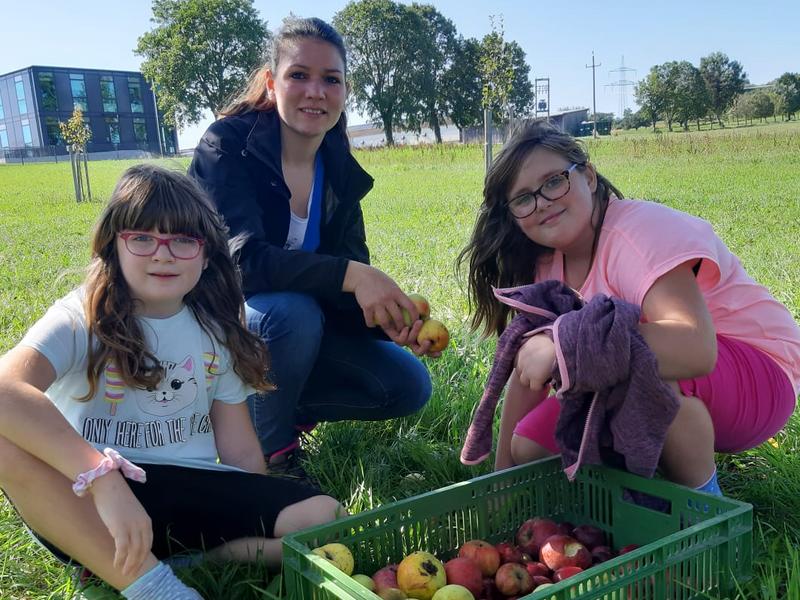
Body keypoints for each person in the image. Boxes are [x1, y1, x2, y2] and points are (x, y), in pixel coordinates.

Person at [0, 165, 344, 600]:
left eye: (182, 240)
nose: (162, 255)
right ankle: (157, 587)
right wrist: (103, 478)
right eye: (142, 238)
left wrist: (253, 504)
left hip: (185, 489)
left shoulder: (216, 331)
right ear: (114, 245)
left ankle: (202, 561)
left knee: (325, 515)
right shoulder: (80, 317)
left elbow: (239, 450)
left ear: (206, 254)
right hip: (86, 501)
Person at [459, 120, 800, 495]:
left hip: (759, 374)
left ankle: (703, 508)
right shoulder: (546, 264)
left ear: (589, 176)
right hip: (669, 371)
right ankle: (627, 501)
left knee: (635, 372)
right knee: (531, 445)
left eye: (554, 181)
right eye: (524, 199)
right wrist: (500, 486)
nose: (542, 203)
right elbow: (528, 369)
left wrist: (565, 344)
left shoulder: (637, 233)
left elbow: (695, 348)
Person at [188, 17, 435, 476]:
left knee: (407, 384)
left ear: (345, 91)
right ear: (271, 83)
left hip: (292, 336)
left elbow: (342, 288)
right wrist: (354, 275)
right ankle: (271, 457)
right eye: (299, 75)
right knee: (289, 312)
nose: (315, 91)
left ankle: (276, 410)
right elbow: (239, 262)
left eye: (331, 79)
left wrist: (389, 323)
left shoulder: (337, 166)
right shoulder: (227, 145)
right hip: (213, 336)